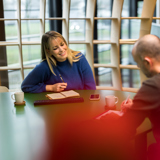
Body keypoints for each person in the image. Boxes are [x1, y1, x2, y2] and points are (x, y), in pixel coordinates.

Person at [52, 34, 160, 160]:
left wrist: (107, 120)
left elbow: (127, 129)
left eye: (138, 63)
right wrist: (137, 107)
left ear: (147, 62)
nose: (138, 67)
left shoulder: (152, 86)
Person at [21, 31, 96, 93]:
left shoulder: (79, 58)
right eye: (55, 48)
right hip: (55, 107)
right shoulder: (45, 66)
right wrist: (50, 87)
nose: (61, 49)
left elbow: (91, 88)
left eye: (62, 44)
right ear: (49, 51)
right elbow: (26, 86)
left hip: (81, 104)